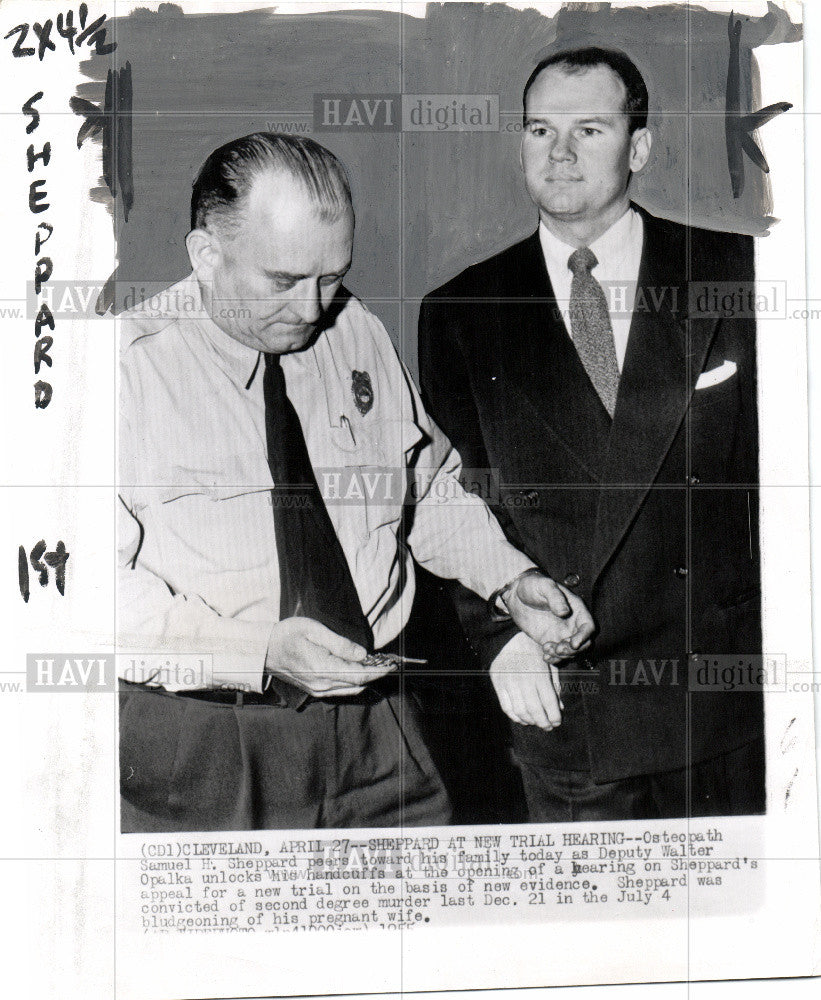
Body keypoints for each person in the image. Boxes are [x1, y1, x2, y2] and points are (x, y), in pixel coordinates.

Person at [118, 132, 594, 832]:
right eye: (282, 281)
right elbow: (82, 597)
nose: (312, 309)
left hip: (378, 726)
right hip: (211, 740)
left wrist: (505, 578)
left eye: (331, 277)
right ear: (206, 255)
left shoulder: (355, 329)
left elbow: (424, 489)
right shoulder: (120, 373)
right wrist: (259, 653)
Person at [419, 47, 764, 821]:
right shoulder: (460, 310)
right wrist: (498, 638)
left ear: (637, 147)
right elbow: (445, 498)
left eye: (589, 129)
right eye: (540, 130)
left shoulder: (736, 272)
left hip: (724, 697)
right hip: (568, 701)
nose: (560, 154)